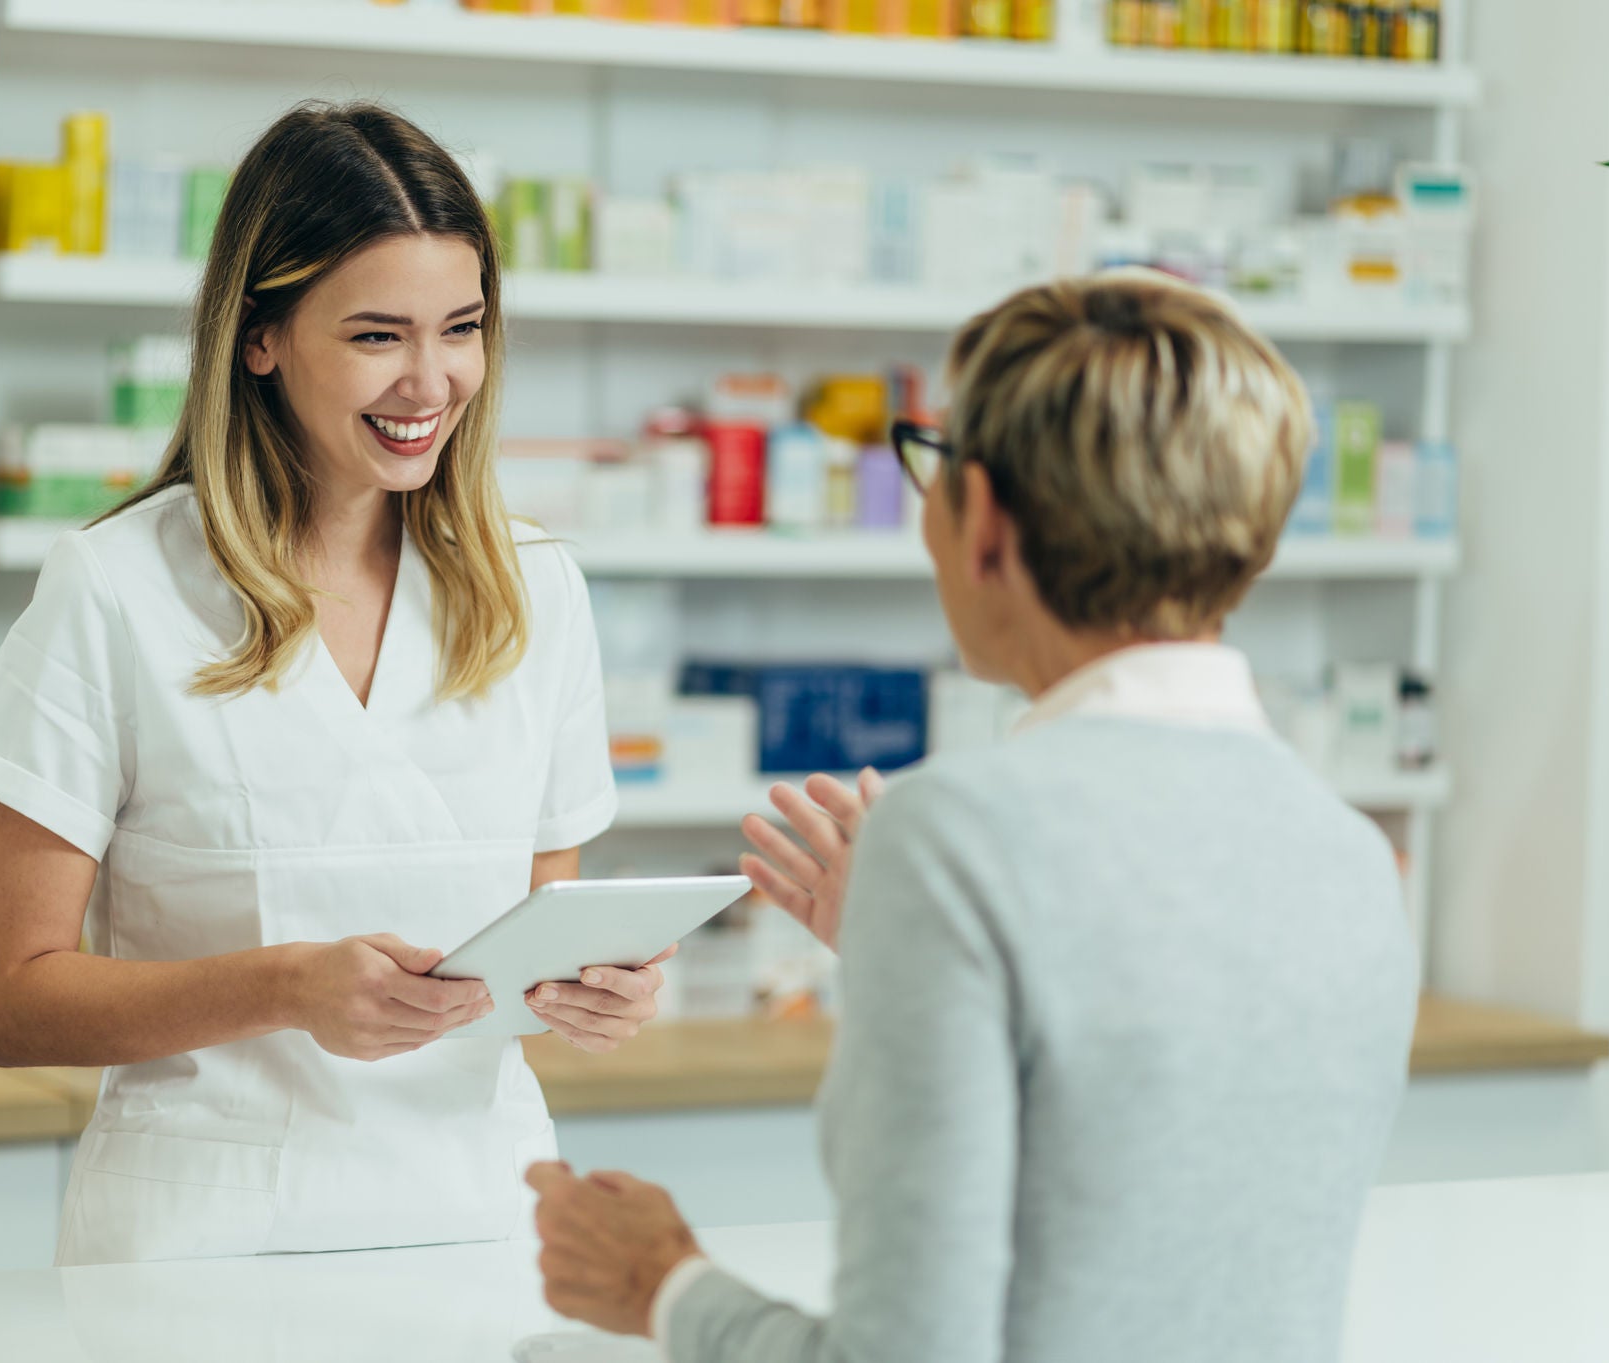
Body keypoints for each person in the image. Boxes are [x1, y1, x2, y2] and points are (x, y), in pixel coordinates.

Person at [527, 272, 1419, 1362]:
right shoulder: (1350, 857)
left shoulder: (955, 837)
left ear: (984, 521)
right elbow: (1150, 1218)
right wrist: (915, 953)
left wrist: (660, 1283)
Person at [0, 101, 670, 1267]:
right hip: (202, 1254)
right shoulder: (113, 587)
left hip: (482, 1229)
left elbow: (541, 936)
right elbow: (8, 1000)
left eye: (462, 327)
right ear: (261, 337)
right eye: (378, 336)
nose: (432, 381)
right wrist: (286, 986)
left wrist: (598, 993)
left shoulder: (535, 590)